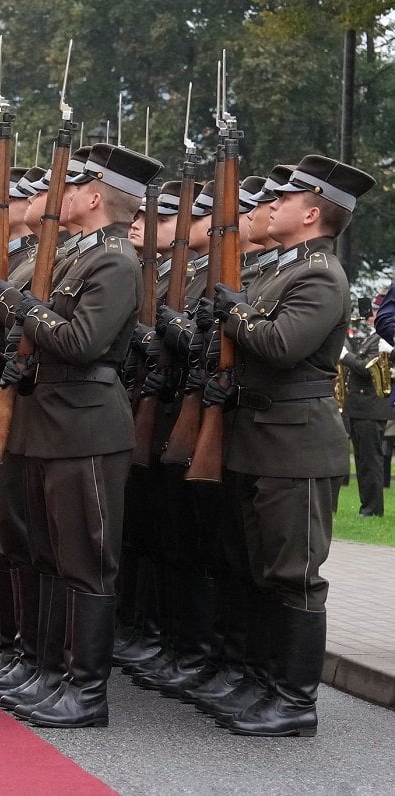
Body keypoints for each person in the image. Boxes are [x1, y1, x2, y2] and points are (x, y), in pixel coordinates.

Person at [0, 143, 163, 728]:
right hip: (49, 421)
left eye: (72, 185)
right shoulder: (74, 257)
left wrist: (15, 304)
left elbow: (81, 342)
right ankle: (47, 670)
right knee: (45, 552)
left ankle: (87, 691)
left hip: (86, 424)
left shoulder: (114, 262)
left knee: (86, 558)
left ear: (94, 198)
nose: (59, 195)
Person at [204, 153, 375, 736]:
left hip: (297, 446)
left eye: (285, 199)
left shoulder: (321, 275)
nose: (271, 205)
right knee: (260, 571)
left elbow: (280, 345)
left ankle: (295, 701)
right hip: (261, 440)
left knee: (294, 575)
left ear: (310, 213)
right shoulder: (282, 271)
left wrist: (232, 311)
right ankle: (263, 681)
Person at [341, 297, 390, 517]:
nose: (370, 315)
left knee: (370, 462)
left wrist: (345, 356)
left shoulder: (382, 337)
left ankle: (372, 509)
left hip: (370, 406)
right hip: (361, 407)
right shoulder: (372, 336)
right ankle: (367, 507)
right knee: (362, 462)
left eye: (375, 312)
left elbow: (367, 368)